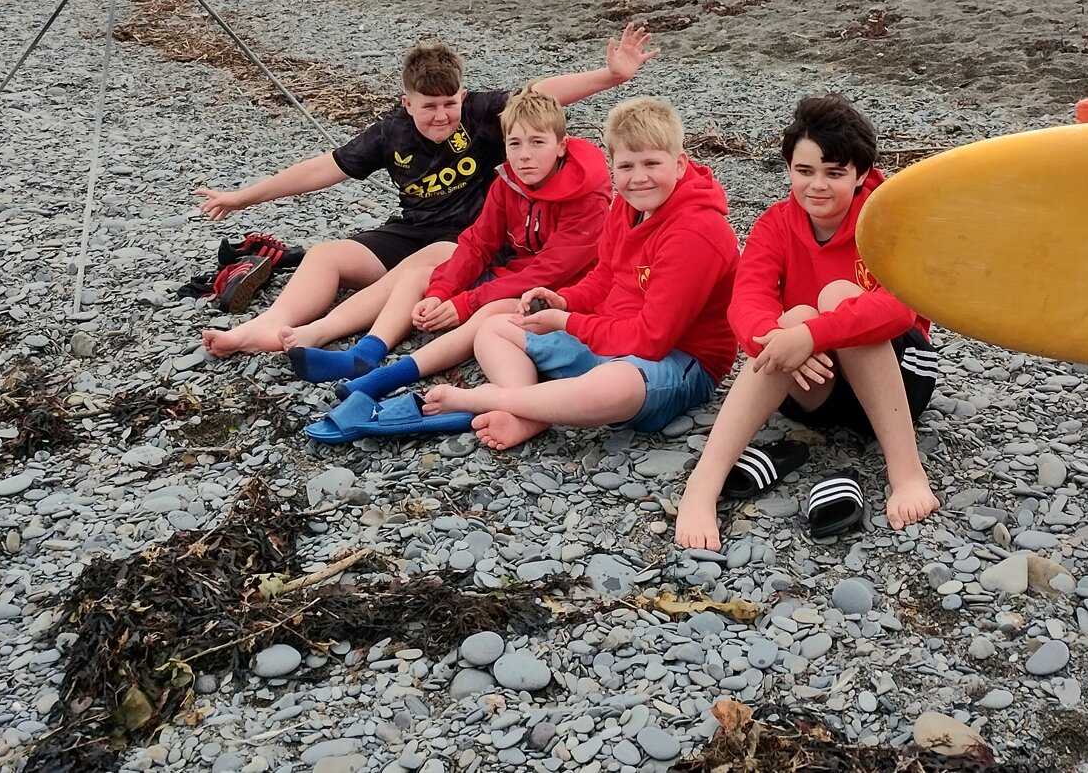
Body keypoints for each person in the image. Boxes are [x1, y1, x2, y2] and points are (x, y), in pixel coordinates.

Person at [194, 28, 657, 356]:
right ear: (407, 103)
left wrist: (611, 76)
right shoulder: (390, 134)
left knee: (428, 262)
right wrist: (243, 197)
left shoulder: (482, 113)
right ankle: (268, 326)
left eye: (449, 104)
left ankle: (333, 335)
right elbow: (324, 169)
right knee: (326, 254)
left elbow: (539, 97)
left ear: (462, 95)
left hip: (471, 240)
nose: (441, 116)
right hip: (412, 229)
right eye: (429, 107)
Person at [673, 95, 939, 550]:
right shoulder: (775, 224)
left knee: (837, 300)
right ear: (789, 169)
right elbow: (746, 303)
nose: (818, 185)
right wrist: (782, 337)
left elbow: (899, 308)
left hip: (898, 377)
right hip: (811, 385)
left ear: (859, 175)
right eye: (805, 171)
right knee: (788, 317)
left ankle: (906, 472)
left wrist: (810, 335)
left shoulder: (886, 221)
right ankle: (703, 484)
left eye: (834, 173)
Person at [422, 97, 739, 451]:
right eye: (627, 167)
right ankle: (532, 412)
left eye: (651, 163)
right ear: (613, 167)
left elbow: (653, 340)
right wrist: (565, 300)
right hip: (613, 333)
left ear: (679, 164)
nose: (639, 178)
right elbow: (604, 277)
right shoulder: (628, 205)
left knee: (614, 385)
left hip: (679, 360)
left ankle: (487, 399)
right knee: (495, 327)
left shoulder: (695, 232)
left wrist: (567, 322)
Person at [292, 87, 611, 396]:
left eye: (537, 143)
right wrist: (441, 292)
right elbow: (478, 242)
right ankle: (366, 353)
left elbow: (549, 271)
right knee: (420, 276)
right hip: (517, 276)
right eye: (514, 144)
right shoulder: (509, 181)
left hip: (563, 291)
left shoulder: (587, 198)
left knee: (494, 309)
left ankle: (391, 376)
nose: (524, 156)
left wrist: (465, 303)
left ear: (561, 146)